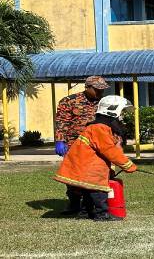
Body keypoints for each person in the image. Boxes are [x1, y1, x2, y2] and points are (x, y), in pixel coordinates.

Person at [54, 95, 137, 221]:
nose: (122, 116)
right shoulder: (100, 128)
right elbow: (110, 151)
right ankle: (102, 214)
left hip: (86, 165)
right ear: (113, 111)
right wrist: (128, 165)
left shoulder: (99, 127)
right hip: (89, 166)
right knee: (99, 191)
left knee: (89, 190)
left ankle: (86, 212)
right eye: (121, 112)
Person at [54, 76, 110, 215]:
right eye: (97, 90)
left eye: (102, 90)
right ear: (88, 87)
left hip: (97, 146)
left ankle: (88, 206)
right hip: (74, 145)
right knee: (73, 175)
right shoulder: (69, 101)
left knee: (93, 175)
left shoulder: (104, 103)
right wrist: (60, 141)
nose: (100, 93)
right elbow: (62, 122)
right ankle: (74, 204)